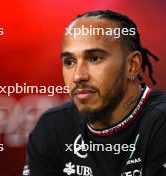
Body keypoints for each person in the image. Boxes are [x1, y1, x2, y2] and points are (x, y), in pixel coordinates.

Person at [22, 10, 166, 176]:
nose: (78, 76)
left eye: (95, 58)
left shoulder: (160, 123)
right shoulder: (52, 126)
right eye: (69, 62)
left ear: (132, 65)